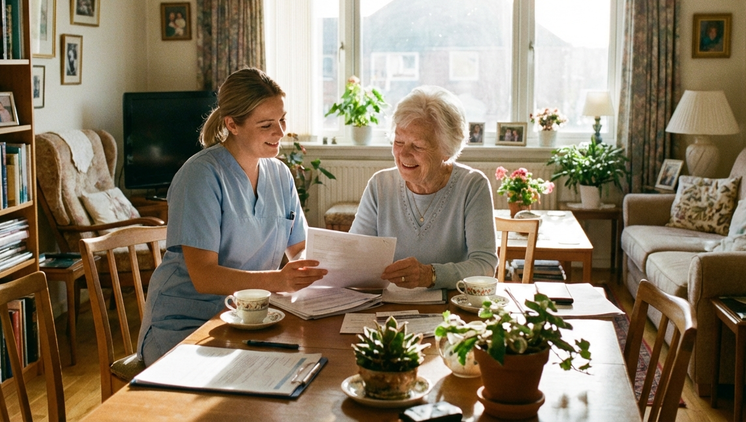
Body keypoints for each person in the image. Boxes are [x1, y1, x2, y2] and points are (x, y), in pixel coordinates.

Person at [138, 67, 327, 365]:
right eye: (266, 125)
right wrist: (279, 280)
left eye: (282, 119)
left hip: (250, 318)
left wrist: (327, 267)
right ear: (233, 125)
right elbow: (204, 275)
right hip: (188, 325)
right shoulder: (200, 176)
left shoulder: (279, 174)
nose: (280, 132)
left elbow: (298, 249)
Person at [349, 85, 498, 289]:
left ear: (447, 149)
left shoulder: (472, 186)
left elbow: (485, 265)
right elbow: (353, 256)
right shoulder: (379, 185)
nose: (404, 154)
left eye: (418, 146)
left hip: (450, 311)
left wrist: (432, 275)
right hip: (387, 309)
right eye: (399, 141)